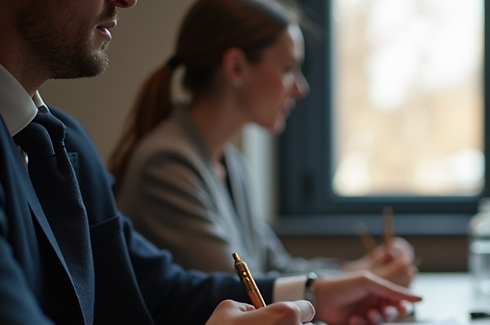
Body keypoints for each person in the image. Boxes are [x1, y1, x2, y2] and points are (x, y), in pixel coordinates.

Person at [0, 0, 420, 325]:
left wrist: (316, 295)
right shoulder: (157, 158)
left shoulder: (63, 144)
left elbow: (158, 292)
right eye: (288, 69)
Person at [110, 0, 416, 286]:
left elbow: (276, 268)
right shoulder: (166, 164)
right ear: (236, 68)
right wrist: (355, 283)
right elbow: (242, 290)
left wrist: (359, 272)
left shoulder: (230, 164)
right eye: (288, 69)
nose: (300, 88)